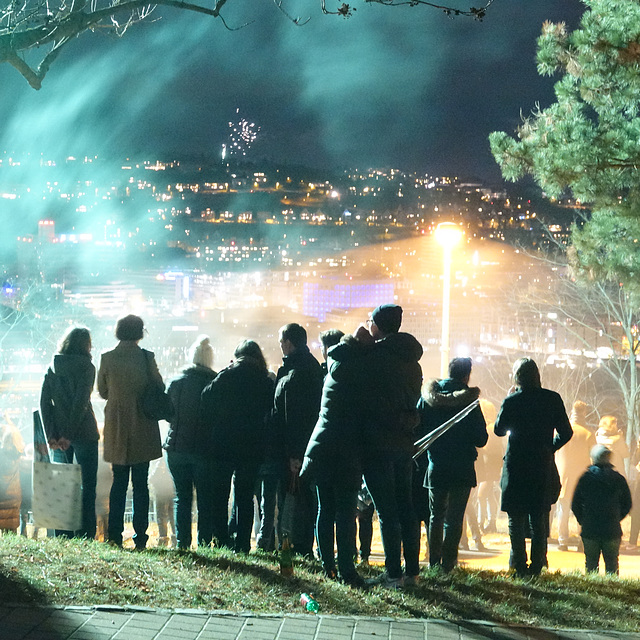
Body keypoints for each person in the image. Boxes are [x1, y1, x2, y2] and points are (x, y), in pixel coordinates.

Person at [302, 326, 375, 587]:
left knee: (326, 508)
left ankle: (327, 565)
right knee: (345, 512)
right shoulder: (359, 372)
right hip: (347, 451)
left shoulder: (334, 366)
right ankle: (347, 569)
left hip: (322, 447)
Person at [362, 304, 423, 587]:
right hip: (405, 443)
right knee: (405, 507)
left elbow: (369, 400)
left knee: (386, 511)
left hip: (379, 443)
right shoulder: (412, 361)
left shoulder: (376, 358)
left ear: (378, 325)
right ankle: (411, 571)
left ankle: (393, 573)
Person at [494, 358, 573, 577]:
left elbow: (499, 429)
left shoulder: (512, 402)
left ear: (517, 377)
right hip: (541, 465)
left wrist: (509, 398)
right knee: (539, 519)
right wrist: (549, 448)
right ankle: (537, 565)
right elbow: (566, 433)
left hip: (516, 465)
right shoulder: (552, 399)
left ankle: (519, 565)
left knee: (515, 518)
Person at [97, 314, 164, 550]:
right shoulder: (147, 358)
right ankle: (140, 538)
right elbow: (159, 386)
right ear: (139, 333)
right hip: (142, 426)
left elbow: (102, 391)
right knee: (141, 484)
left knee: (118, 483)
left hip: (116, 426)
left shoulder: (107, 358)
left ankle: (114, 535)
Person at [201, 339, 274, 553]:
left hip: (224, 442)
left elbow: (206, 397)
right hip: (252, 445)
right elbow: (271, 409)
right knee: (245, 496)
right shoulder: (264, 379)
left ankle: (221, 538)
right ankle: (242, 543)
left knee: (221, 494)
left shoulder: (228, 375)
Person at [418, 357, 488, 572]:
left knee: (435, 516)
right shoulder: (470, 404)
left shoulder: (428, 399)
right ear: (466, 376)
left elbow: (418, 430)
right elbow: (481, 439)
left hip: (436, 466)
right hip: (462, 468)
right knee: (454, 519)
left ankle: (433, 562)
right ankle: (449, 564)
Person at [40, 326, 99, 539]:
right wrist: (69, 434)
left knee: (61, 485)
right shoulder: (87, 367)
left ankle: (63, 534)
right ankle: (86, 534)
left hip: (58, 438)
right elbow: (81, 403)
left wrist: (53, 436)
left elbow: (44, 403)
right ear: (86, 345)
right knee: (88, 486)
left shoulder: (52, 367)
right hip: (84, 433)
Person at [271, 323, 324, 556]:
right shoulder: (304, 367)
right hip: (298, 448)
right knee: (299, 499)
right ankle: (295, 545)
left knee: (297, 499)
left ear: (288, 343)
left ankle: (298, 547)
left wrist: (294, 454)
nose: (280, 346)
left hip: (295, 450)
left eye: (281, 342)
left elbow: (297, 417)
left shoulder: (297, 371)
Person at [164, 335, 217, 549]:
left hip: (177, 447)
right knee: (205, 500)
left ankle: (183, 545)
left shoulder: (177, 382)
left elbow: (168, 413)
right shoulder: (215, 383)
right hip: (204, 450)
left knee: (182, 498)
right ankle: (204, 544)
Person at [571, 445, 632, 575]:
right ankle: (613, 593)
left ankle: (593, 592)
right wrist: (616, 517)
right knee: (612, 564)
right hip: (612, 529)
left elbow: (575, 504)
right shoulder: (618, 479)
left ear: (593, 458)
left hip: (590, 528)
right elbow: (627, 504)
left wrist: (584, 520)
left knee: (591, 565)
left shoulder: (586, 478)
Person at [555, 401, 595, 551]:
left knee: (563, 511)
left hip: (563, 475)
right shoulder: (588, 434)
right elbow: (594, 458)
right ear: (584, 412)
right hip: (581, 477)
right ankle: (581, 541)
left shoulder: (561, 431)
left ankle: (562, 541)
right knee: (582, 511)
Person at [0, 416, 24, 534]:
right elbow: (15, 434)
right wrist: (10, 423)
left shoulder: (1, 455)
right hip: (14, 497)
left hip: (2, 497)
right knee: (10, 532)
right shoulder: (18, 456)